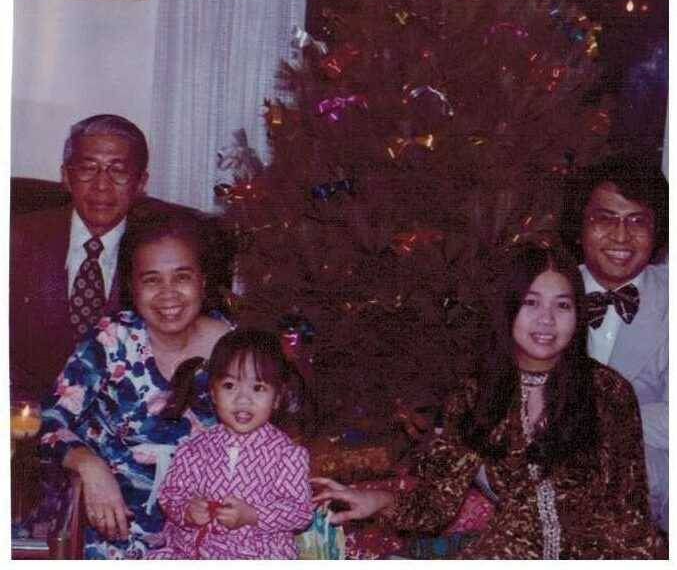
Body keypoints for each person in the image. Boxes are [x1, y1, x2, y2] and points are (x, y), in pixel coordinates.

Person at [312, 245, 664, 559]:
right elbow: (437, 503)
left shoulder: (608, 391)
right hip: (512, 548)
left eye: (562, 305)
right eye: (530, 302)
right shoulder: (475, 396)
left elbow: (628, 507)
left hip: (603, 550)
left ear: (578, 315)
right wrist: (377, 501)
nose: (546, 320)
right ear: (508, 309)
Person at [39, 211, 232, 559]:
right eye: (152, 280)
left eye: (182, 277)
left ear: (204, 280)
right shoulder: (112, 339)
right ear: (132, 286)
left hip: (206, 535)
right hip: (110, 529)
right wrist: (88, 464)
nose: (168, 294)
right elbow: (50, 422)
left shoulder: (234, 351)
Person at [561, 155, 668, 531]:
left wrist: (594, 422)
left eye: (637, 221)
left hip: (652, 477)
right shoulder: (544, 289)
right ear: (579, 226)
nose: (622, 237)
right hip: (548, 465)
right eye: (605, 218)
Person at [11, 114, 149, 402]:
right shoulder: (17, 238)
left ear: (140, 183)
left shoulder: (157, 250)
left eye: (118, 170)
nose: (101, 185)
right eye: (88, 168)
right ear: (65, 176)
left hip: (113, 422)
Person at [145, 329, 313, 559]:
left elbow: (300, 512)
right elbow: (171, 494)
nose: (243, 399)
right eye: (229, 386)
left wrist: (253, 515)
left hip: (257, 554)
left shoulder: (288, 455)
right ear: (213, 392)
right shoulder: (194, 449)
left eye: (258, 388)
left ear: (277, 398)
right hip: (193, 551)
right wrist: (187, 510)